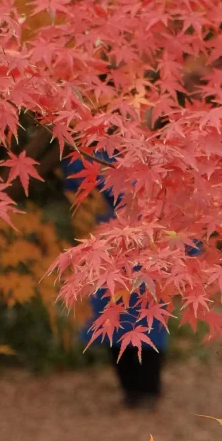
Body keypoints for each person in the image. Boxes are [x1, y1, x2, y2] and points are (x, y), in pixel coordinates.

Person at [61, 154, 168, 410]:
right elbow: (75, 180)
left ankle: (146, 390)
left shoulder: (150, 152)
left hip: (146, 244)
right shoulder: (98, 152)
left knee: (146, 320)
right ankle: (132, 390)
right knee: (115, 320)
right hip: (111, 244)